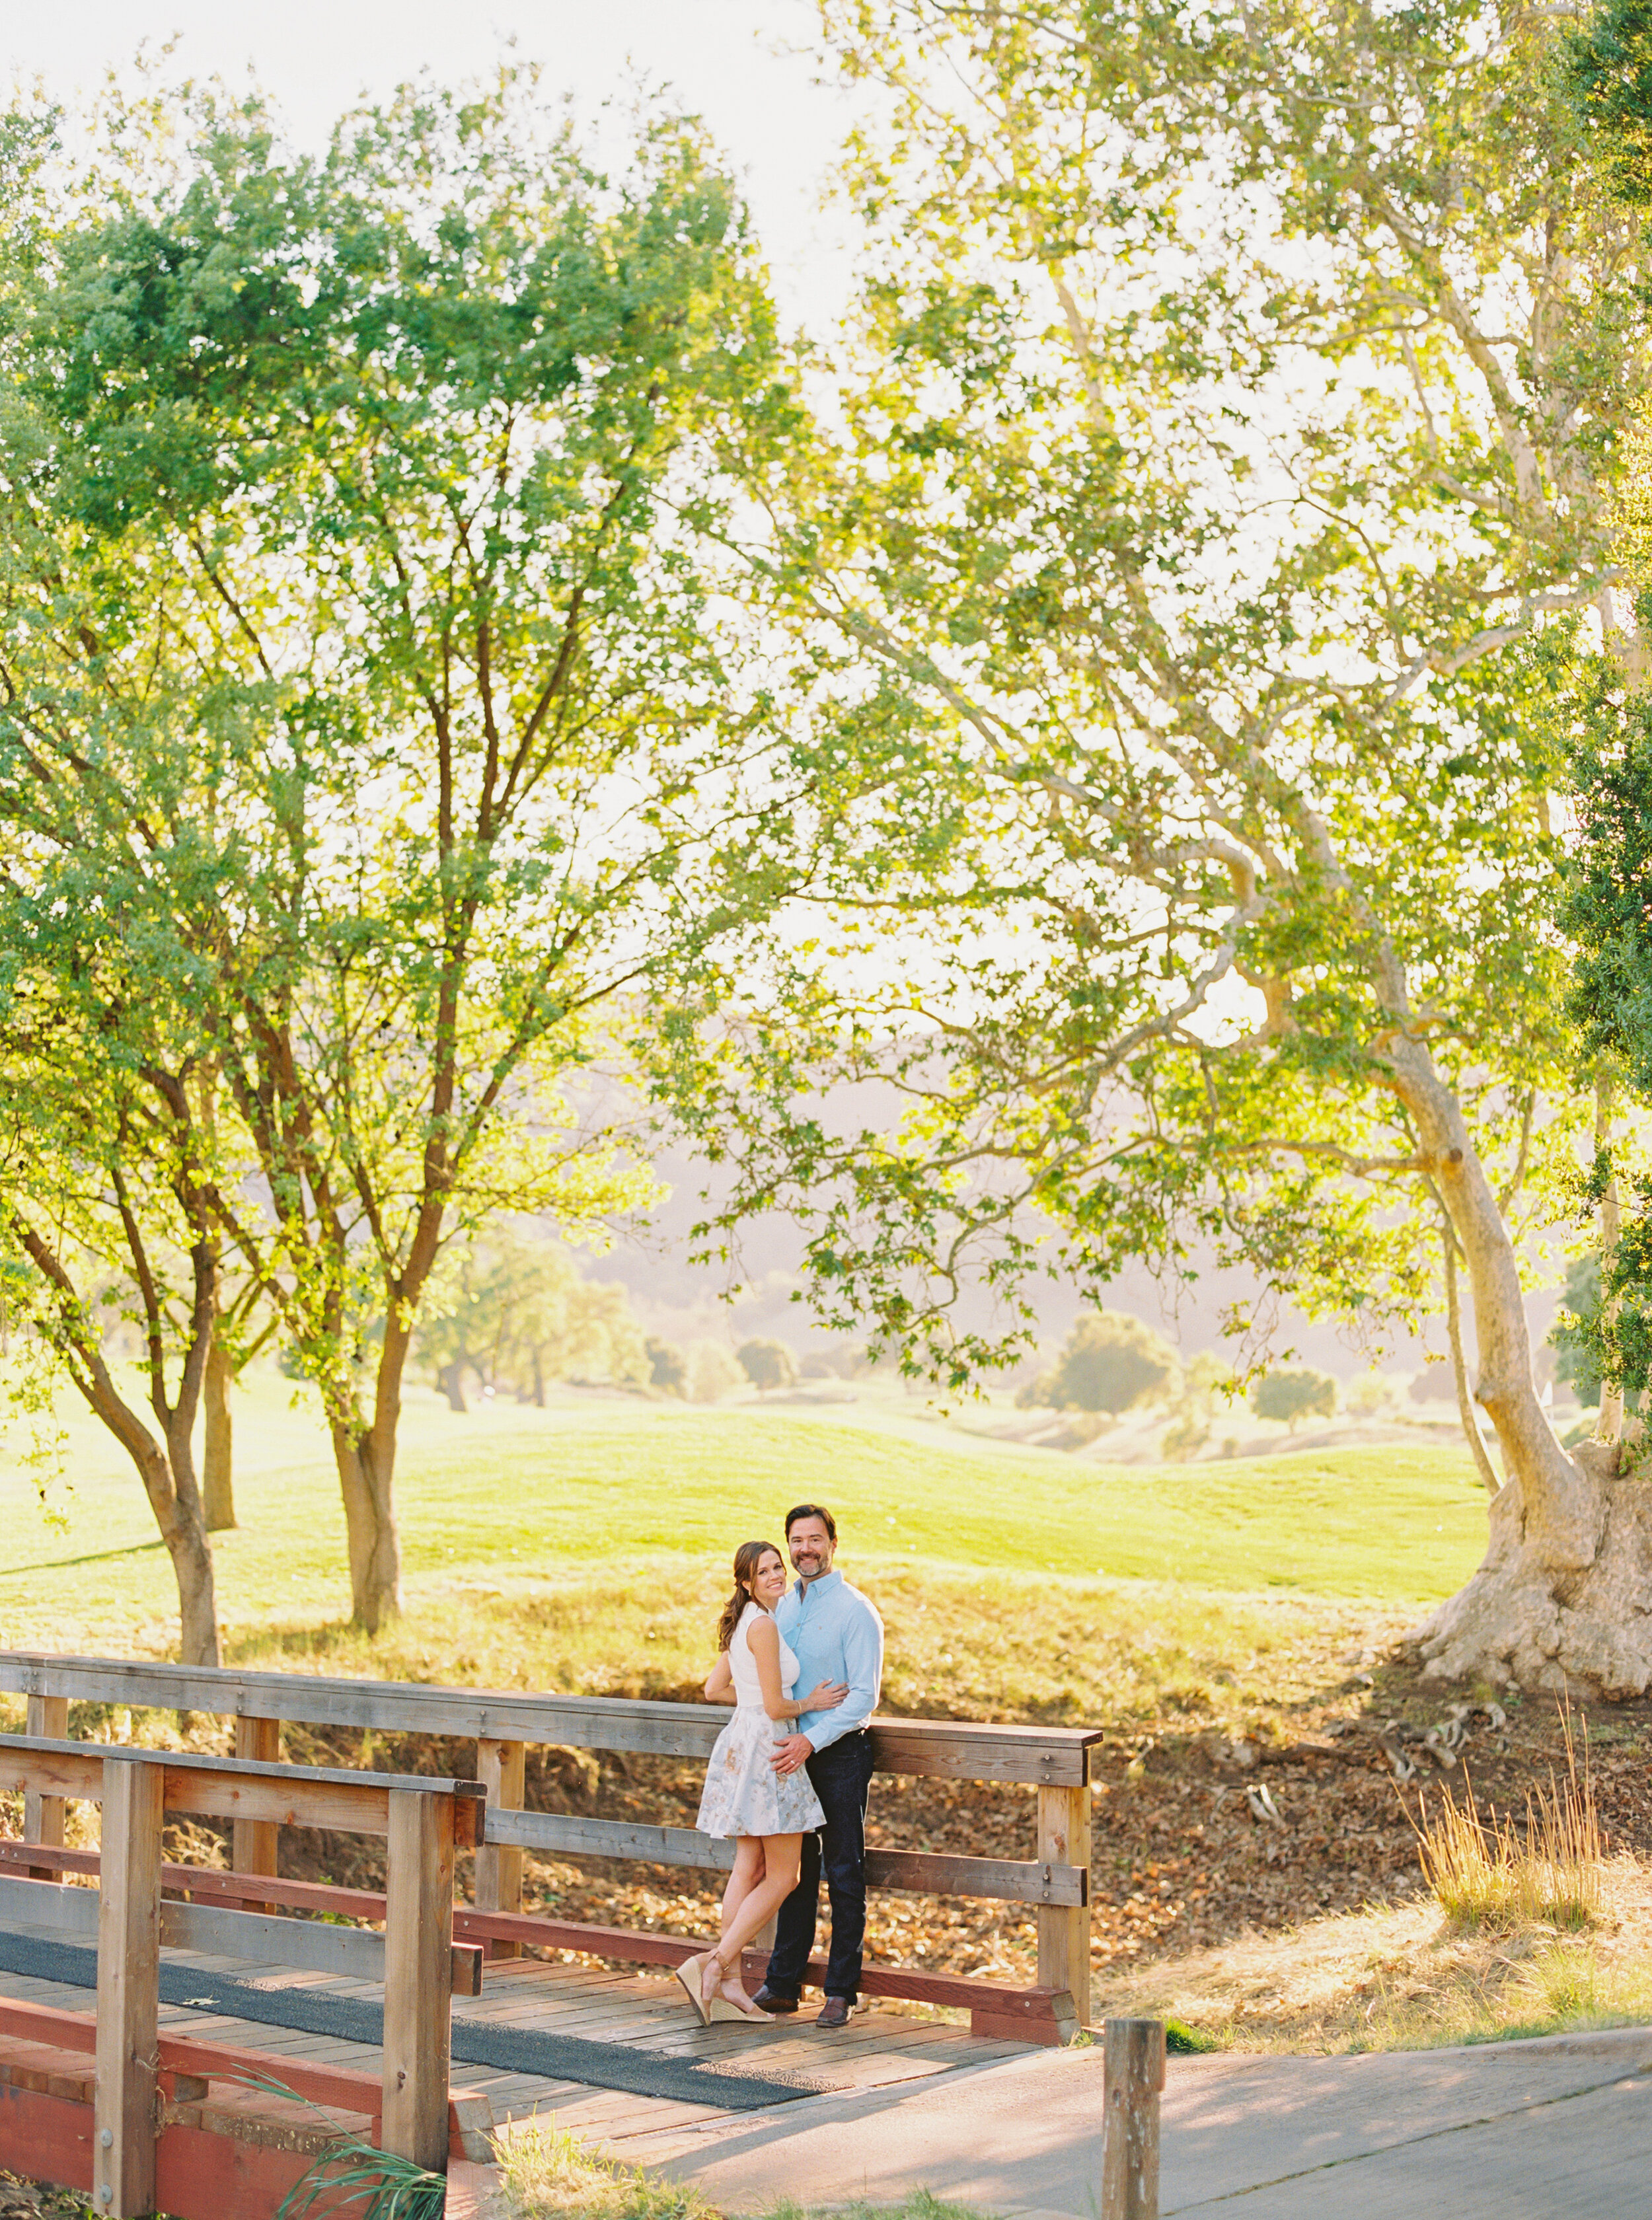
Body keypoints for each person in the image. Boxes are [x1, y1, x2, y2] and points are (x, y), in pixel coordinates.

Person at [681, 1539, 848, 2022]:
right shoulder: (764, 1626)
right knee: (785, 1876)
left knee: (749, 1864)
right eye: (766, 1570)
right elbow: (778, 1707)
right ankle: (712, 1965)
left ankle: (730, 1982)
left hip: (745, 1742)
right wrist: (811, 1703)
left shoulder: (743, 1623)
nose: (777, 1574)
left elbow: (714, 1689)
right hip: (772, 1746)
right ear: (747, 1582)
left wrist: (753, 1701)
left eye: (779, 1566)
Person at [751, 1502, 884, 2029]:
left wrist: (812, 1740)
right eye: (796, 1540)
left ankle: (840, 1990)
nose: (805, 1549)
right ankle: (783, 1984)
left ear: (833, 1543)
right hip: (791, 1753)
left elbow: (863, 1699)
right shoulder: (783, 1607)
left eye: (815, 1539)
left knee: (845, 1871)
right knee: (792, 1873)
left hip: (841, 1754)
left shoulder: (856, 1612)